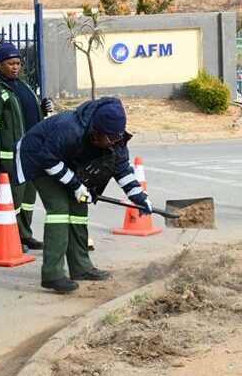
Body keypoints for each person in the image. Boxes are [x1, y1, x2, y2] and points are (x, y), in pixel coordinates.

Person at [14, 98, 152, 294]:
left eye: (116, 140)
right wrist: (76, 185)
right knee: (59, 209)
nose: (113, 144)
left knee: (79, 208)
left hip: (66, 161)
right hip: (38, 158)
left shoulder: (116, 139)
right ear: (96, 132)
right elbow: (48, 159)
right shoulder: (71, 128)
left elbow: (121, 169)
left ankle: (81, 267)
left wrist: (140, 196)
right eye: (110, 140)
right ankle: (52, 274)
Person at [0, 42, 54, 251]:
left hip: (30, 154)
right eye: (10, 63)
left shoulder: (21, 85)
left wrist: (42, 108)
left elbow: (26, 114)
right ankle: (9, 238)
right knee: (11, 199)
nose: (15, 67)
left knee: (28, 198)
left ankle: (24, 234)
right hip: (10, 157)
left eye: (17, 63)